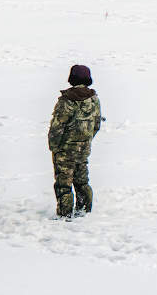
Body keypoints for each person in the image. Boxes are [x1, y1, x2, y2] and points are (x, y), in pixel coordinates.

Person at [48, 64, 102, 218]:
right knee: (82, 181)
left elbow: (57, 127)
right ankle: (84, 212)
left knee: (63, 184)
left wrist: (54, 147)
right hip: (83, 148)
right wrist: (86, 140)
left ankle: (65, 215)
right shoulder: (94, 99)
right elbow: (96, 124)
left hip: (65, 150)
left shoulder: (67, 100)